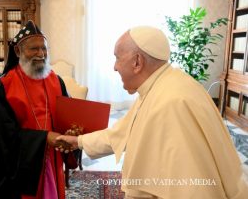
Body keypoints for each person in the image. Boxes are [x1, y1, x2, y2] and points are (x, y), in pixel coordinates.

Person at [57, 26, 248, 199]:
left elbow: (191, 188)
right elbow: (121, 133)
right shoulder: (159, 85)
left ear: (137, 62)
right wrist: (79, 142)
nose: (114, 67)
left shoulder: (170, 103)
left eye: (117, 58)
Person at [0, 20, 70, 199]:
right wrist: (44, 139)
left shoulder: (56, 81)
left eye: (44, 48)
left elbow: (67, 115)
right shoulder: (4, 86)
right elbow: (1, 137)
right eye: (34, 48)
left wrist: (73, 130)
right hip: (23, 166)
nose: (41, 54)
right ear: (17, 51)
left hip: (53, 159)